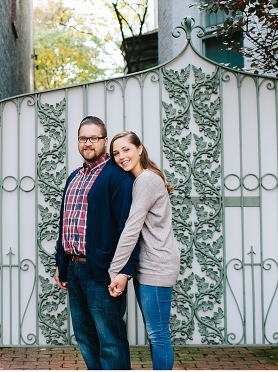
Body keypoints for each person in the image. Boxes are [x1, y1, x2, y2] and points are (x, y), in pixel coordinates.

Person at [55, 116, 140, 370]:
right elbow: (65, 222)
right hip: (74, 269)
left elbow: (129, 228)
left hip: (103, 271)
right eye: (83, 138)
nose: (88, 143)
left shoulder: (118, 177)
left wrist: (125, 271)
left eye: (94, 138)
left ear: (105, 140)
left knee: (110, 340)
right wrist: (61, 263)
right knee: (85, 337)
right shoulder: (74, 177)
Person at [108, 131, 180, 370]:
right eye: (116, 153)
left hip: (157, 265)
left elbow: (132, 228)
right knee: (156, 334)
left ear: (140, 149)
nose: (121, 156)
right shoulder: (143, 179)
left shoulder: (146, 180)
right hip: (149, 265)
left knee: (158, 335)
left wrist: (115, 270)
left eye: (126, 149)